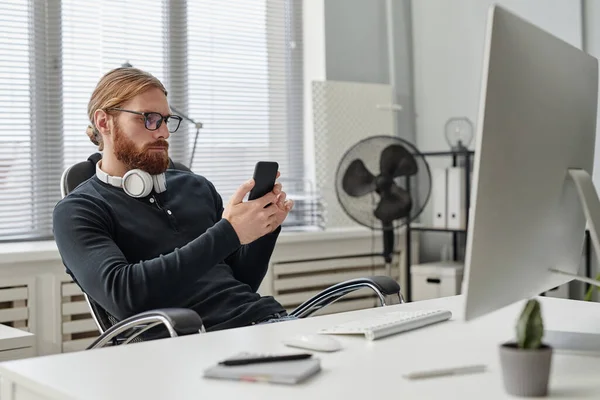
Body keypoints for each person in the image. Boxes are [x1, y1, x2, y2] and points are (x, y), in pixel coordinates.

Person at [52, 67, 295, 332]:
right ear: (103, 122)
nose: (164, 133)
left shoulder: (197, 187)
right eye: (149, 119)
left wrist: (263, 229)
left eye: (166, 120)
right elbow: (123, 295)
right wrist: (229, 233)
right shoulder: (78, 210)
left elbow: (240, 282)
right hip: (197, 343)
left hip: (266, 322)